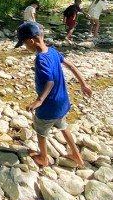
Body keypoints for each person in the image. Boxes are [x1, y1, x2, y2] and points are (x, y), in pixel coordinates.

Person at [15, 22, 93, 167]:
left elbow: (49, 82)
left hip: (48, 106)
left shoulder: (40, 59)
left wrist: (39, 100)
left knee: (41, 131)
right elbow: (71, 65)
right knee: (63, 127)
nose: (26, 47)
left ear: (31, 41)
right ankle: (77, 156)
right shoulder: (53, 51)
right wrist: (83, 84)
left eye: (25, 44)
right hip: (63, 102)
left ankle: (43, 158)